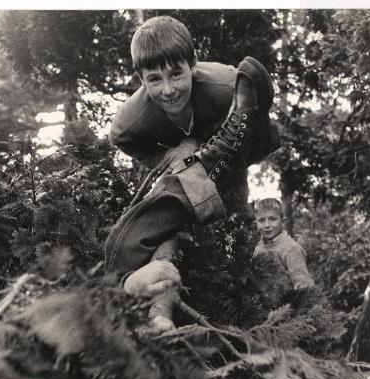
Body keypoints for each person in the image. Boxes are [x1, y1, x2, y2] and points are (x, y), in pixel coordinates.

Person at [105, 15, 280, 329]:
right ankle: (159, 313)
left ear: (193, 65)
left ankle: (220, 154)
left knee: (235, 232)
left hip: (231, 170)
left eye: (176, 74)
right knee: (185, 154)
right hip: (176, 175)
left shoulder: (226, 84)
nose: (169, 89)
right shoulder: (133, 117)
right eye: (154, 79)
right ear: (141, 80)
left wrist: (230, 160)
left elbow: (266, 139)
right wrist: (167, 155)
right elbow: (120, 138)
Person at [253, 198, 315, 290]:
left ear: (282, 221)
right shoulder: (259, 248)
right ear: (256, 223)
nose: (267, 225)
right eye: (261, 220)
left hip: (287, 303)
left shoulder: (290, 248)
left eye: (272, 219)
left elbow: (304, 287)